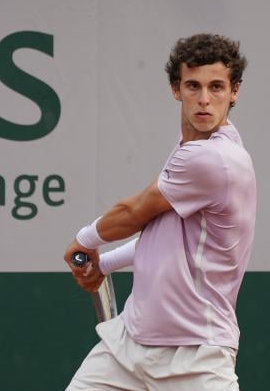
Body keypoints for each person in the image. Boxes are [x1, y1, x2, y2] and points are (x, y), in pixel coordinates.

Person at [64, 33, 256, 390]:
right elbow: (164, 240)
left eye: (216, 87)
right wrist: (102, 265)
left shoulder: (213, 159)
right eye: (192, 86)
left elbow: (134, 213)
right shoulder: (191, 148)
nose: (203, 100)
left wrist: (84, 241)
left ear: (234, 92)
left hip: (195, 355)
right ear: (175, 89)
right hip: (129, 344)